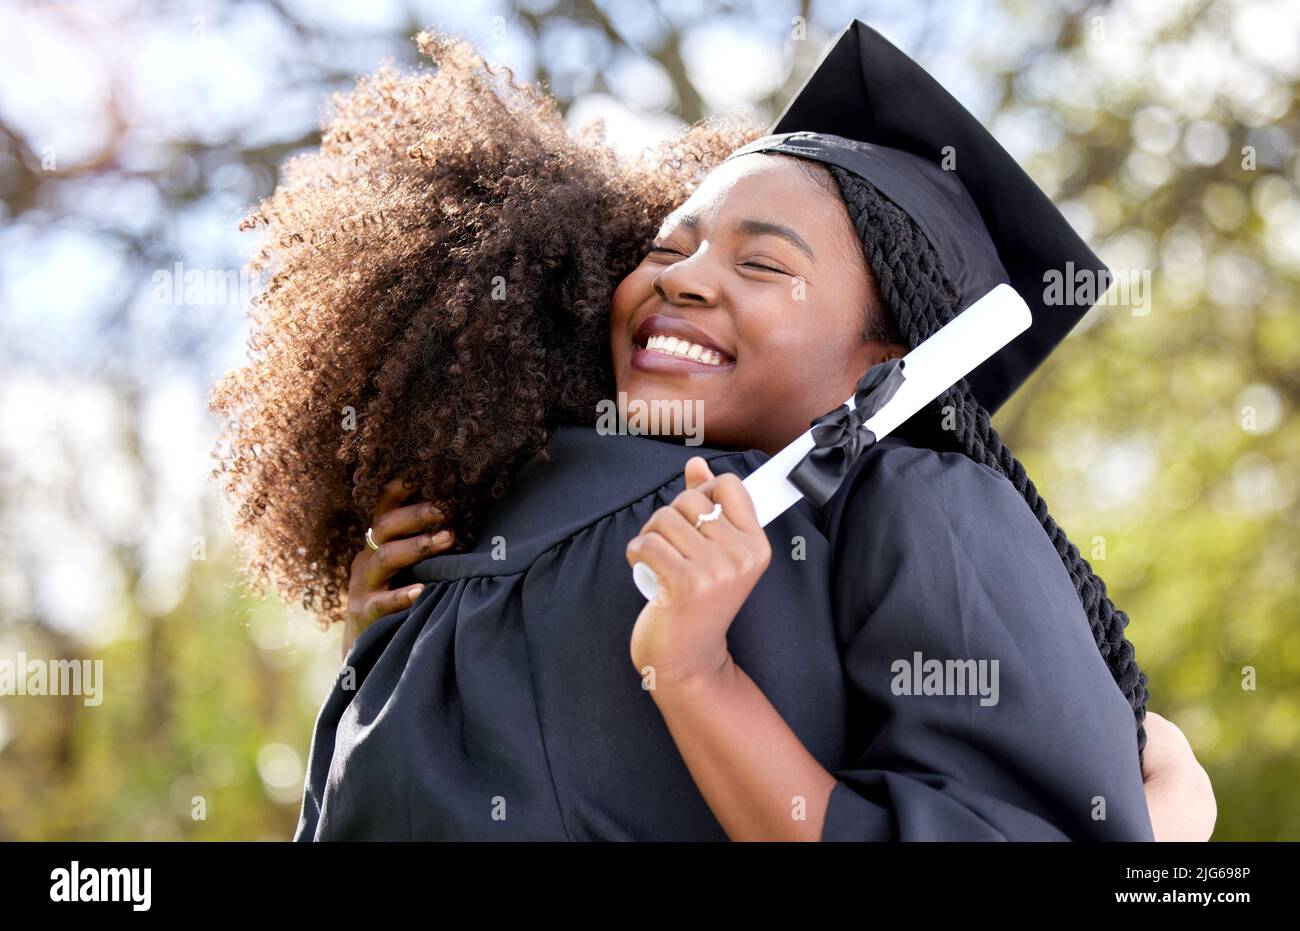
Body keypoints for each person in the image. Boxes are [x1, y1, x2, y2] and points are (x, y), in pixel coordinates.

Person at [213, 23, 1215, 840]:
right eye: (665, 246)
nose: (682, 277)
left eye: (765, 266)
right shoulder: (505, 517)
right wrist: (381, 658)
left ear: (888, 366)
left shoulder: (910, 505)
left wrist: (696, 674)